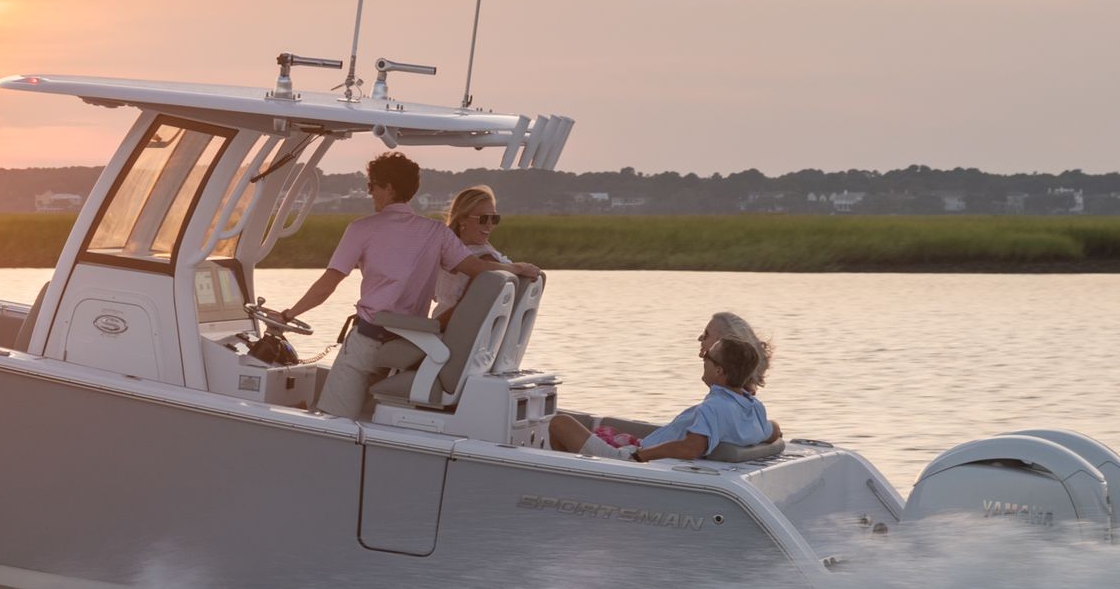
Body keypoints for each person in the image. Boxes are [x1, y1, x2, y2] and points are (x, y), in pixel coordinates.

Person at [281, 153, 541, 419]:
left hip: (369, 340)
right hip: (413, 346)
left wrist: (289, 315)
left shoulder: (361, 228)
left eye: (373, 186)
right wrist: (516, 268)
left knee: (330, 416)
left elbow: (327, 286)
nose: (370, 193)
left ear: (389, 187)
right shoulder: (436, 232)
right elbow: (479, 269)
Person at [549, 311, 780, 461]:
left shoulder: (716, 407)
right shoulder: (752, 407)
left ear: (720, 368)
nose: (701, 346)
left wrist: (640, 455)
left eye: (708, 352)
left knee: (559, 423)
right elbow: (774, 432)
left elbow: (692, 448)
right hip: (639, 452)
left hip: (630, 461)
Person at [430, 185, 509, 314]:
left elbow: (463, 311)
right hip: (450, 328)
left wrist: (432, 327)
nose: (489, 225)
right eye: (483, 219)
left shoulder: (485, 259)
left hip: (448, 330)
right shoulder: (447, 253)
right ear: (462, 219)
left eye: (494, 218)